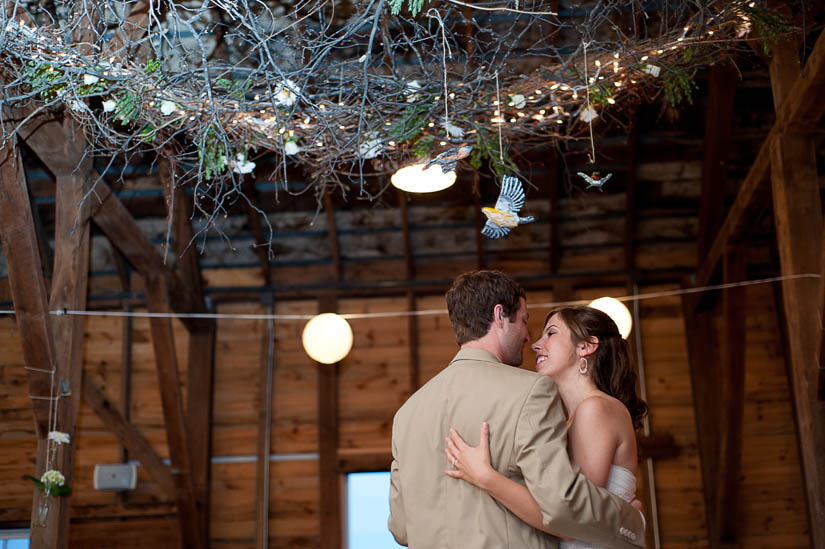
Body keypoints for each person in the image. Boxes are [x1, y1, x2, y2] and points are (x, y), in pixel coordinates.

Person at [388, 270, 645, 548]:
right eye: (524, 321)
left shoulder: (405, 414)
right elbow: (566, 510)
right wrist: (632, 522)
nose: (529, 338)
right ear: (500, 316)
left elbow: (401, 528)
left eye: (549, 333)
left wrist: (485, 480)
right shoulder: (529, 391)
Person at [444, 306, 648, 549]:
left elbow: (574, 518)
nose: (535, 345)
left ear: (586, 346)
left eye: (550, 334)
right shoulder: (573, 418)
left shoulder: (595, 408)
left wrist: (485, 476)